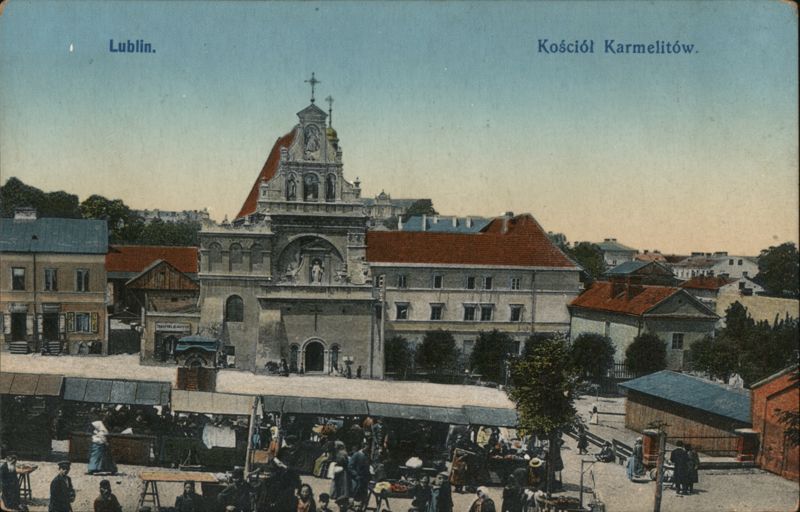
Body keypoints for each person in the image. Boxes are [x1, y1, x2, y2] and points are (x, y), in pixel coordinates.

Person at [348, 441, 371, 506]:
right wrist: (355, 475)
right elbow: (350, 467)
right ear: (363, 447)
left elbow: (367, 467)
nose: (368, 449)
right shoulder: (356, 455)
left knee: (363, 496)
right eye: (367, 447)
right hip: (357, 479)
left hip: (364, 479)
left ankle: (361, 507)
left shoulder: (366, 455)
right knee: (354, 495)